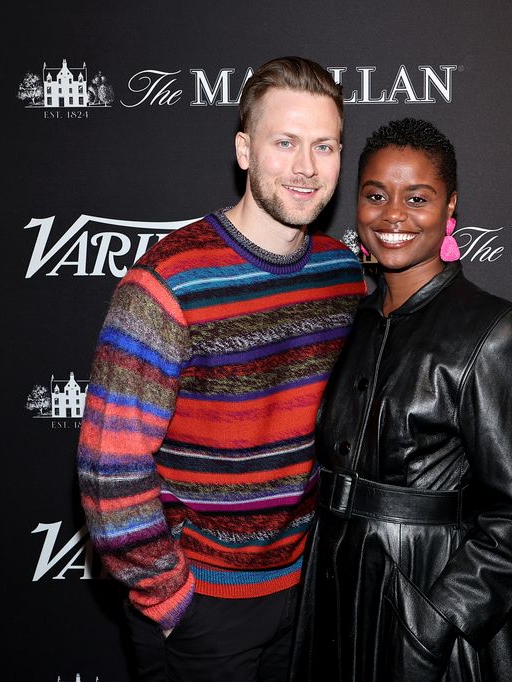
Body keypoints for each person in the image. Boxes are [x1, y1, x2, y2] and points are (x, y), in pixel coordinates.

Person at [77, 56, 365, 682]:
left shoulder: (343, 276)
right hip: (203, 607)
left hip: (308, 593)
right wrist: (173, 597)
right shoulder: (167, 283)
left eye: (325, 145)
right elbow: (109, 463)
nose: (306, 167)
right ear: (244, 150)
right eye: (284, 142)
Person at [292, 118, 512, 682]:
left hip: (431, 607)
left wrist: (430, 627)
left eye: (417, 198)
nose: (393, 216)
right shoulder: (352, 320)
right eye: (375, 195)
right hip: (335, 598)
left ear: (450, 206)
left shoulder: (492, 330)